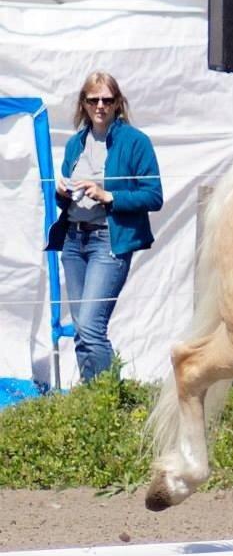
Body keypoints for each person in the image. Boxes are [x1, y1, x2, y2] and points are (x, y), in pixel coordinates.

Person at [45, 71, 163, 382]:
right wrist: (62, 194)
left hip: (107, 242)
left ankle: (108, 396)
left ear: (117, 104)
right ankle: (93, 396)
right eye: (93, 99)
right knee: (83, 330)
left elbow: (153, 195)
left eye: (107, 100)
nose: (100, 106)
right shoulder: (76, 143)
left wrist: (109, 196)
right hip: (72, 241)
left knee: (90, 326)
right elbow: (68, 201)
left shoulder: (135, 142)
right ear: (83, 104)